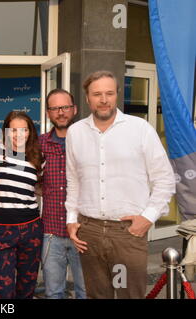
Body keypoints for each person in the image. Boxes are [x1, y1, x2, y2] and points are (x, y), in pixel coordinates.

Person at [66, 70, 176, 299]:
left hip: (126, 234)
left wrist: (148, 217)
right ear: (87, 98)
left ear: (117, 95)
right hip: (90, 233)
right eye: (97, 94)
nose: (103, 99)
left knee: (128, 295)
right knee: (98, 296)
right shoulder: (76, 133)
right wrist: (71, 219)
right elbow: (73, 180)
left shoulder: (140, 129)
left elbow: (164, 179)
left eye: (109, 93)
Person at [0, 111, 43, 299]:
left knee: (27, 288)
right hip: (1, 229)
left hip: (31, 228)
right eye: (13, 130)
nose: (18, 135)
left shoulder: (37, 157)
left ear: (30, 132)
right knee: (5, 290)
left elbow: (40, 188)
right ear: (5, 131)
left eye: (24, 130)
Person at [38, 88, 86, 299]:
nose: (60, 112)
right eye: (55, 108)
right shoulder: (39, 144)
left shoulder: (89, 142)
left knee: (86, 291)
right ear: (48, 113)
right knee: (53, 292)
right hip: (51, 232)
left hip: (84, 233)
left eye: (65, 107)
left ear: (74, 109)